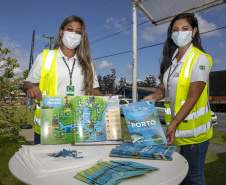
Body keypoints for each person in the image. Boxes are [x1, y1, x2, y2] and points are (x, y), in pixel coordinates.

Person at [141, 13, 212, 185]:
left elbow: (193, 97)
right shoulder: (172, 60)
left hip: (196, 132)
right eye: (175, 29)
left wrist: (173, 123)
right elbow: (165, 88)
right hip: (177, 130)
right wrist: (152, 98)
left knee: (194, 177)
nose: (180, 33)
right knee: (181, 174)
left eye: (185, 29)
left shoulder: (199, 59)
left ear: (194, 31)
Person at [23, 15, 101, 144]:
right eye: (69, 29)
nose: (73, 34)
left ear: (82, 37)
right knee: (47, 164)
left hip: (80, 127)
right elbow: (27, 83)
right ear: (61, 32)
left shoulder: (87, 63)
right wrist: (30, 88)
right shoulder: (45, 57)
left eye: (78, 32)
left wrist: (105, 100)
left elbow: (93, 91)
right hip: (48, 127)